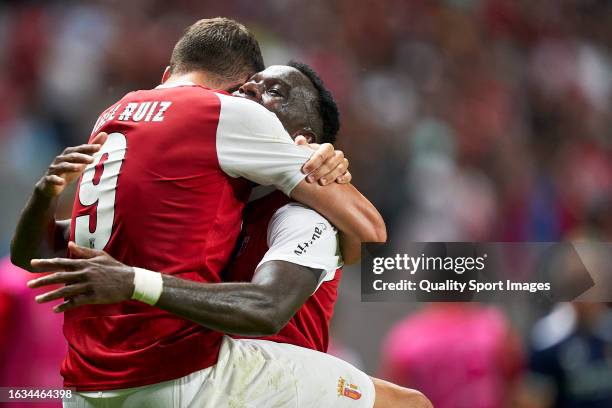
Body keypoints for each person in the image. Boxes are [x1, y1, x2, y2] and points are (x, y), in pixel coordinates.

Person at [10, 18, 386, 407]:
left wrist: (320, 170)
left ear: (302, 135)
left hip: (230, 383)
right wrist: (46, 196)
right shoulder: (205, 197)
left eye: (274, 91)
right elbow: (39, 254)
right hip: (191, 378)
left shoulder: (300, 215)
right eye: (245, 87)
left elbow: (361, 246)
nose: (250, 92)